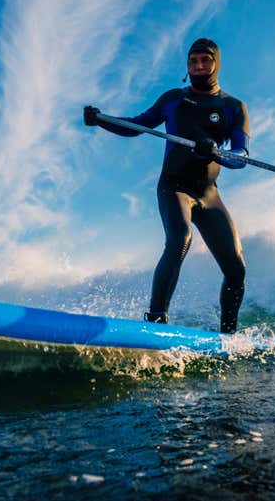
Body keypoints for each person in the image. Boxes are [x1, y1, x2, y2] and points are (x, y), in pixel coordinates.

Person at [83, 38, 250, 334]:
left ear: (216, 63)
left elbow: (241, 157)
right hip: (175, 187)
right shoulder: (174, 98)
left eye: (205, 60)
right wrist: (101, 120)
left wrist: (216, 152)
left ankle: (228, 336)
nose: (199, 66)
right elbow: (138, 125)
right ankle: (156, 321)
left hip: (208, 194)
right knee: (180, 239)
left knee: (237, 268)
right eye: (193, 61)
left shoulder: (233, 107)